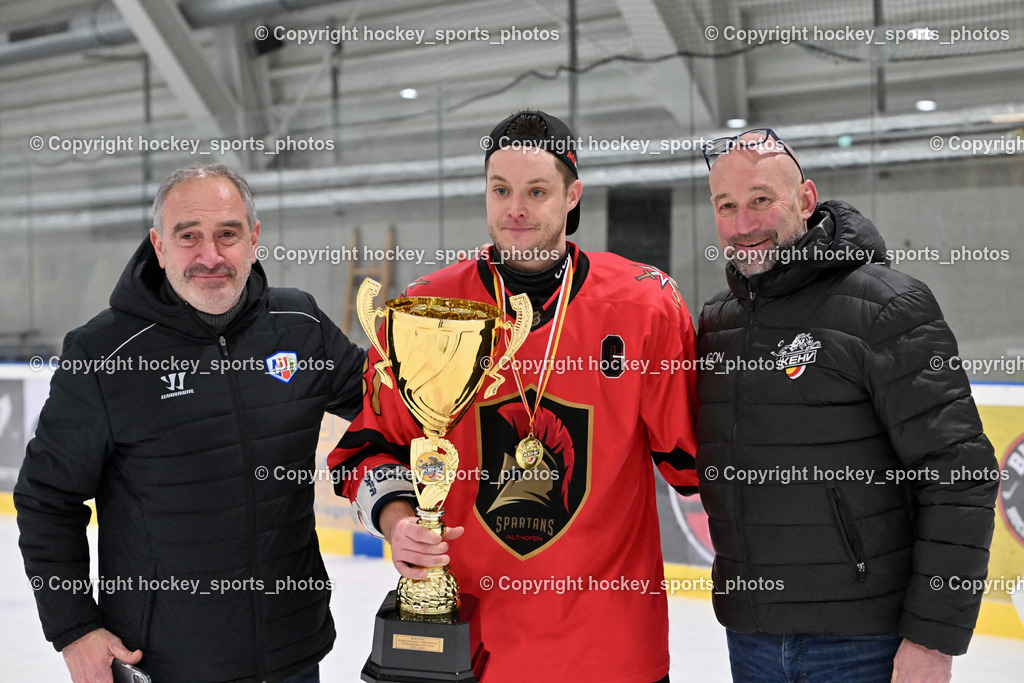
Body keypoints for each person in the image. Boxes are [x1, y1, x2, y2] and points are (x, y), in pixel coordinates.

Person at [328, 110, 698, 683]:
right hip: (472, 650)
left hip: (612, 652)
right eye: (499, 189)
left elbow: (696, 465)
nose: (515, 209)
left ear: (573, 195)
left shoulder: (645, 305)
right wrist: (398, 520)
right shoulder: (430, 309)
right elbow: (365, 450)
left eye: (536, 190)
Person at [15, 164, 366, 683]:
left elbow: (393, 408)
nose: (210, 256)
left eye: (228, 233)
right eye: (189, 237)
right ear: (159, 247)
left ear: (254, 239)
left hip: (293, 651)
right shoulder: (103, 353)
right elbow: (47, 499)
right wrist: (73, 628)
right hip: (166, 663)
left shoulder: (300, 325)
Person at [696, 128, 998, 682]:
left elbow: (961, 474)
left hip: (864, 642)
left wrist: (933, 639)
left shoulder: (887, 307)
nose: (744, 224)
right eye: (727, 205)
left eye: (762, 199)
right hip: (752, 637)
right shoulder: (719, 323)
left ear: (806, 200)